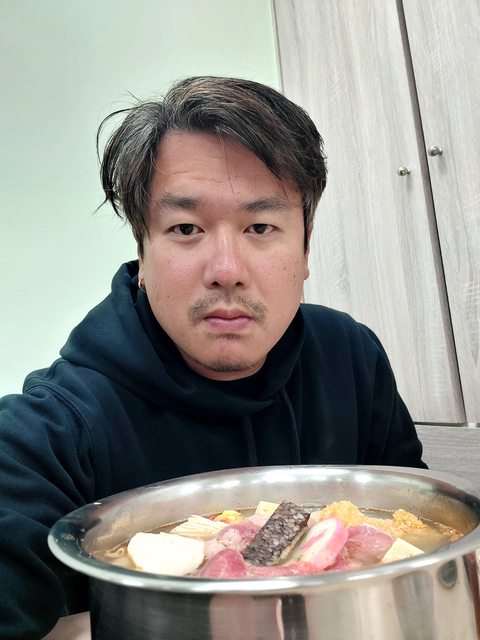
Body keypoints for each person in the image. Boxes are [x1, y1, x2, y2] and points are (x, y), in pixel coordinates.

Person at [0, 75, 426, 639]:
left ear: (305, 248)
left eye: (260, 226)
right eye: (186, 228)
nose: (227, 269)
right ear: (142, 252)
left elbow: (416, 519)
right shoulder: (56, 428)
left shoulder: (349, 355)